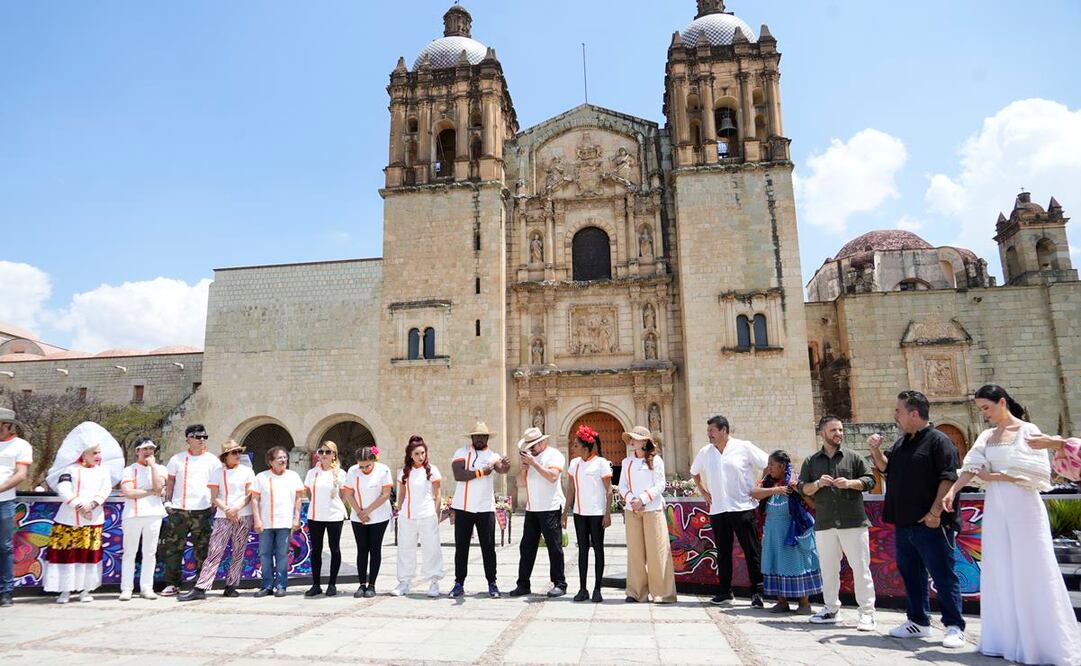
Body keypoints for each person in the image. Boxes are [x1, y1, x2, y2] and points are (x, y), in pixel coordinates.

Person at [942, 385, 1081, 665]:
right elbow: (972, 466)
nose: (984, 414)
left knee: (1032, 567)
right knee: (1000, 567)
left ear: (1002, 402)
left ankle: (1040, 643)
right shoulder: (987, 436)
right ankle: (1004, 639)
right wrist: (953, 490)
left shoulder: (1028, 430)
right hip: (997, 508)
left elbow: (1037, 474)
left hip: (1024, 507)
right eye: (981, 409)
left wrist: (996, 478)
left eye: (987, 408)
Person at [869, 390, 965, 648]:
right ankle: (918, 621)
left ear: (914, 413)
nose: (895, 416)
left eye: (898, 411)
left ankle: (954, 625)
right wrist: (875, 451)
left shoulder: (939, 441)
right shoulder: (902, 443)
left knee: (943, 575)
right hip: (905, 523)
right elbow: (885, 468)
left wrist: (935, 513)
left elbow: (948, 478)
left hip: (932, 523)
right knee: (911, 574)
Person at [800, 415, 877, 631]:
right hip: (825, 522)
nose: (838, 434)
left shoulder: (853, 457)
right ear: (822, 433)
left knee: (860, 568)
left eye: (840, 430)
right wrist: (816, 484)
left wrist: (851, 483)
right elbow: (802, 488)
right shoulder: (811, 461)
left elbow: (870, 479)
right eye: (833, 430)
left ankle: (867, 613)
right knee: (828, 568)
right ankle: (831, 609)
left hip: (853, 521)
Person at [690, 415, 769, 607]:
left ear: (724, 430)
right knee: (723, 552)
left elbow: (767, 463)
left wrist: (760, 485)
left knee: (751, 551)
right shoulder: (705, 452)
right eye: (708, 431)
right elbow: (694, 472)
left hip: (743, 507)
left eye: (712, 431)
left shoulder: (744, 447)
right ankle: (725, 591)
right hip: (718, 510)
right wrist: (704, 492)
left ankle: (757, 592)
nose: (709, 434)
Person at [179, 440, 254, 601]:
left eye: (239, 452)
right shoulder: (217, 472)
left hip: (243, 514)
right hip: (223, 514)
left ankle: (232, 585)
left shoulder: (247, 471)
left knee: (239, 551)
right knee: (215, 550)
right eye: (234, 453)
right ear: (226, 456)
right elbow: (214, 497)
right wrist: (227, 509)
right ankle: (201, 587)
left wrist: (236, 508)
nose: (237, 455)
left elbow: (249, 495)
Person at [752, 450, 820, 615]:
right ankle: (781, 602)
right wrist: (777, 490)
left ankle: (804, 603)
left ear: (782, 466)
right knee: (775, 564)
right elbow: (754, 493)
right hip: (773, 534)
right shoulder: (768, 483)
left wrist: (797, 490)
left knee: (796, 564)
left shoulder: (796, 482)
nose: (769, 468)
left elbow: (813, 504)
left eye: (772, 465)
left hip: (792, 532)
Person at [449, 421, 511, 598]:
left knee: (488, 547)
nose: (479, 439)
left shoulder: (492, 455)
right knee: (461, 548)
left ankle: (492, 583)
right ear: (472, 438)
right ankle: (459, 583)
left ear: (487, 438)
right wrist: (481, 472)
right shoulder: (461, 452)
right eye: (476, 436)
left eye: (482, 436)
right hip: (463, 507)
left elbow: (502, 469)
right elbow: (458, 475)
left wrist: (505, 465)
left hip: (485, 508)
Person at [44, 442, 112, 603]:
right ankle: (64, 590)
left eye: (99, 452)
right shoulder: (70, 470)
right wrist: (80, 506)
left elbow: (105, 490)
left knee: (88, 554)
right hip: (68, 520)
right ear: (84, 454)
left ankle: (85, 590)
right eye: (94, 453)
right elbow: (63, 489)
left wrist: (92, 505)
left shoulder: (103, 472)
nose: (98, 456)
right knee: (67, 554)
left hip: (93, 519)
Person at [160, 424, 221, 596]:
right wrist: (168, 502)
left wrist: (214, 502)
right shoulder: (177, 459)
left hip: (202, 510)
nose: (202, 440)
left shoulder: (212, 460)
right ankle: (173, 583)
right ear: (188, 438)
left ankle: (201, 584)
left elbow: (217, 484)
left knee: (202, 549)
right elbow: (170, 482)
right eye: (197, 436)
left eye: (204, 437)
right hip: (179, 509)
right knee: (174, 548)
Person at [618, 426, 677, 603]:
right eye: (630, 438)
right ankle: (636, 592)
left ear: (644, 441)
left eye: (635, 438)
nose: (631, 441)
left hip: (652, 510)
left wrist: (643, 499)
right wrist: (632, 501)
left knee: (657, 552)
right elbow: (622, 486)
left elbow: (660, 485)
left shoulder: (656, 460)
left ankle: (663, 593)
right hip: (632, 510)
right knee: (635, 552)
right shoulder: (626, 462)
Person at [509, 427, 567, 598]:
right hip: (532, 509)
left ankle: (560, 583)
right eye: (529, 446)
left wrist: (534, 463)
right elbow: (520, 482)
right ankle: (523, 584)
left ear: (542, 442)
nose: (531, 449)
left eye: (533, 446)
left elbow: (553, 477)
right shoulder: (530, 460)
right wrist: (525, 468)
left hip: (550, 508)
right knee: (526, 547)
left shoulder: (554, 455)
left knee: (554, 547)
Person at [562, 424, 611, 603]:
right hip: (580, 514)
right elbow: (571, 491)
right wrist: (565, 512)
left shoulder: (601, 463)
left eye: (576, 445)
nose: (573, 448)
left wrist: (607, 514)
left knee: (598, 549)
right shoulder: (574, 464)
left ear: (585, 447)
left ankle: (597, 588)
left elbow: (609, 491)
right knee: (583, 550)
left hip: (597, 514)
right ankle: (583, 589)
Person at [393, 435, 444, 598]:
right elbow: (401, 494)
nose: (420, 457)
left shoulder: (432, 470)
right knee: (405, 549)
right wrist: (398, 508)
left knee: (431, 549)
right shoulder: (404, 473)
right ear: (410, 455)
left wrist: (436, 515)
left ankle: (434, 582)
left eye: (423, 453)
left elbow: (438, 494)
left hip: (427, 515)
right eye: (417, 454)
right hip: (407, 516)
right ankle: (404, 582)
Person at [251, 446, 304, 597]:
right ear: (270, 461)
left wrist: (296, 518)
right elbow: (254, 500)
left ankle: (281, 585)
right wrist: (257, 520)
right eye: (279, 458)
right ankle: (266, 585)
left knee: (282, 554)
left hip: (284, 523)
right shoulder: (261, 477)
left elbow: (299, 498)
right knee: (265, 554)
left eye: (285, 457)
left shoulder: (293, 476)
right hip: (266, 523)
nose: (283, 460)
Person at [119, 437, 167, 601]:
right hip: (133, 514)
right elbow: (129, 492)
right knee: (130, 552)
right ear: (137, 451)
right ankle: (126, 588)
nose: (148, 452)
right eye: (145, 449)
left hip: (154, 514)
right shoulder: (128, 470)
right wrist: (148, 492)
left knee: (150, 552)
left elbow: (159, 487)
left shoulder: (159, 468)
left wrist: (153, 466)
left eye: (151, 449)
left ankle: (147, 587)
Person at [342, 445, 393, 597]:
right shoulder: (352, 471)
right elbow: (349, 493)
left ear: (373, 461)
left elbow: (385, 494)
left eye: (367, 466)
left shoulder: (383, 470)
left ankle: (372, 585)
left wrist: (367, 511)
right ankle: (361, 584)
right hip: (358, 516)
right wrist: (359, 512)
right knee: (362, 549)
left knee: (375, 549)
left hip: (378, 516)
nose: (364, 469)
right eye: (361, 466)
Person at [303, 440, 346, 597]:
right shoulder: (312, 473)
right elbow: (308, 492)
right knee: (316, 550)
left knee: (334, 548)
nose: (324, 455)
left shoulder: (340, 473)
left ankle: (332, 584)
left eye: (328, 452)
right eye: (321, 452)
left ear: (334, 454)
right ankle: (316, 584)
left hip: (334, 515)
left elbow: (343, 495)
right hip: (315, 515)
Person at [0, 408, 32, 608]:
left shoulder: (21, 446)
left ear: (8, 426)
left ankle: (6, 591)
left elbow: (21, 474)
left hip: (5, 501)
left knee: (5, 547)